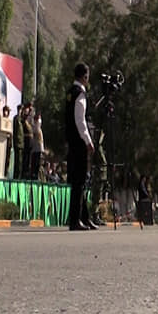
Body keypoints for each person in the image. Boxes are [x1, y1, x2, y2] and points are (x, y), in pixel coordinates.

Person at [65, 62, 95, 231]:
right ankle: (75, 220)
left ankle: (84, 217)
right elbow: (80, 121)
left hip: (71, 141)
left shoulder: (70, 92)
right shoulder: (80, 94)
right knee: (79, 182)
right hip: (79, 142)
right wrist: (88, 141)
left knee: (78, 182)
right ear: (85, 76)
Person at [30, 110, 44, 181]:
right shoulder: (35, 127)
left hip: (39, 147)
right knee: (35, 162)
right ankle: (34, 175)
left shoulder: (38, 127)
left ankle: (36, 175)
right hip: (35, 148)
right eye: (39, 118)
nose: (40, 120)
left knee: (38, 163)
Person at [12, 103, 24, 179]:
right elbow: (15, 131)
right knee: (18, 161)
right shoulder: (16, 118)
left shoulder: (22, 119)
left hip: (21, 143)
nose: (21, 111)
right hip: (18, 143)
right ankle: (16, 177)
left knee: (20, 162)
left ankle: (19, 177)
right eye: (20, 109)